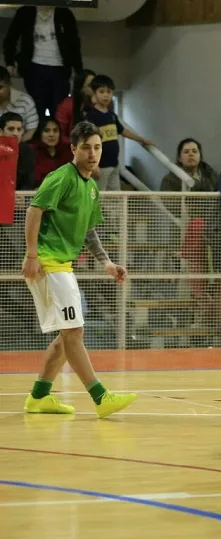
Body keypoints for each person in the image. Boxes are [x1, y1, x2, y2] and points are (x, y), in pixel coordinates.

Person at [22, 121, 136, 418]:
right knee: (73, 332)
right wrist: (32, 255)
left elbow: (88, 230)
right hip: (48, 262)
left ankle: (39, 397)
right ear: (73, 149)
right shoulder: (61, 177)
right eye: (85, 147)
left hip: (63, 264)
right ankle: (100, 397)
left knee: (66, 338)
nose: (92, 153)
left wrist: (107, 263)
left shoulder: (91, 187)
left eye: (97, 147)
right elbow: (33, 211)